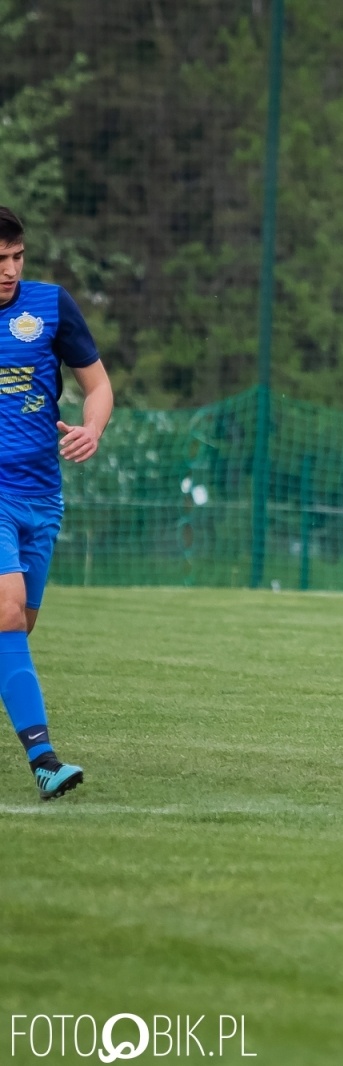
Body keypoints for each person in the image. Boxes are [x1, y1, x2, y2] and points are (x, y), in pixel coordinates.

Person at [0, 206, 114, 801]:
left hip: (41, 495)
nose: (9, 271)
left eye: (16, 257)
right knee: (7, 611)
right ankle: (44, 760)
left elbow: (97, 385)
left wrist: (92, 430)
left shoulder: (50, 305)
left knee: (19, 627)